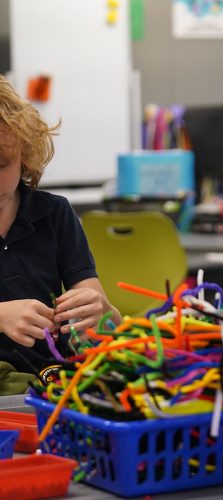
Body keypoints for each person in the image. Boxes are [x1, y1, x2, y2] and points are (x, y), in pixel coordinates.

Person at [0, 74, 121, 392]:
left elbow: (102, 322)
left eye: (2, 164)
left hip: (51, 384)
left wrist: (104, 313)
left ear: (25, 155)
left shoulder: (55, 214)